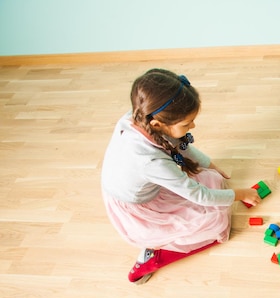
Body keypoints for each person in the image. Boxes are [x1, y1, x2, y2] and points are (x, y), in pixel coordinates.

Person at [101, 68, 261, 284]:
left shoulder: (140, 116)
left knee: (213, 180)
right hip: (139, 209)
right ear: (158, 125)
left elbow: (178, 145)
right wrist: (242, 194)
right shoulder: (151, 161)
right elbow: (201, 196)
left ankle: (159, 238)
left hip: (142, 184)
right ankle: (154, 254)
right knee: (216, 224)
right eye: (187, 124)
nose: (193, 126)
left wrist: (210, 165)